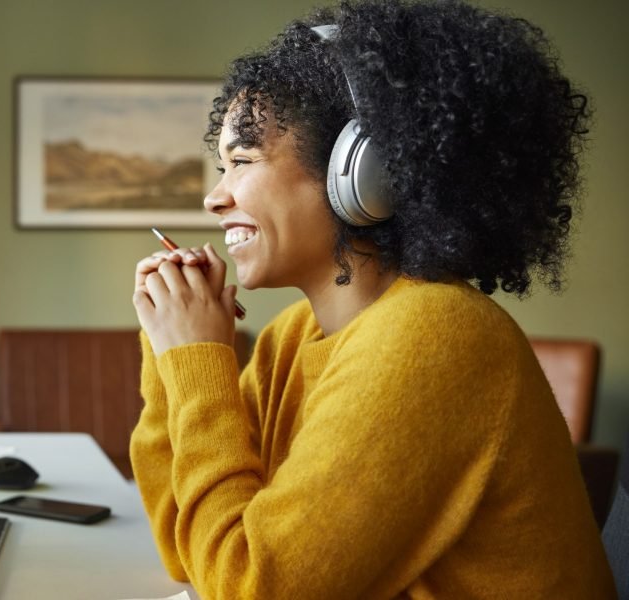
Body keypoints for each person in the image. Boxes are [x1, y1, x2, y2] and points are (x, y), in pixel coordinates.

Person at [129, 1, 613, 597]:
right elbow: (189, 547)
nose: (214, 197)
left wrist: (199, 361)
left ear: (362, 172)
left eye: (242, 162)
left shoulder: (435, 336)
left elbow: (251, 585)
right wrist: (170, 355)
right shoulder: (294, 336)